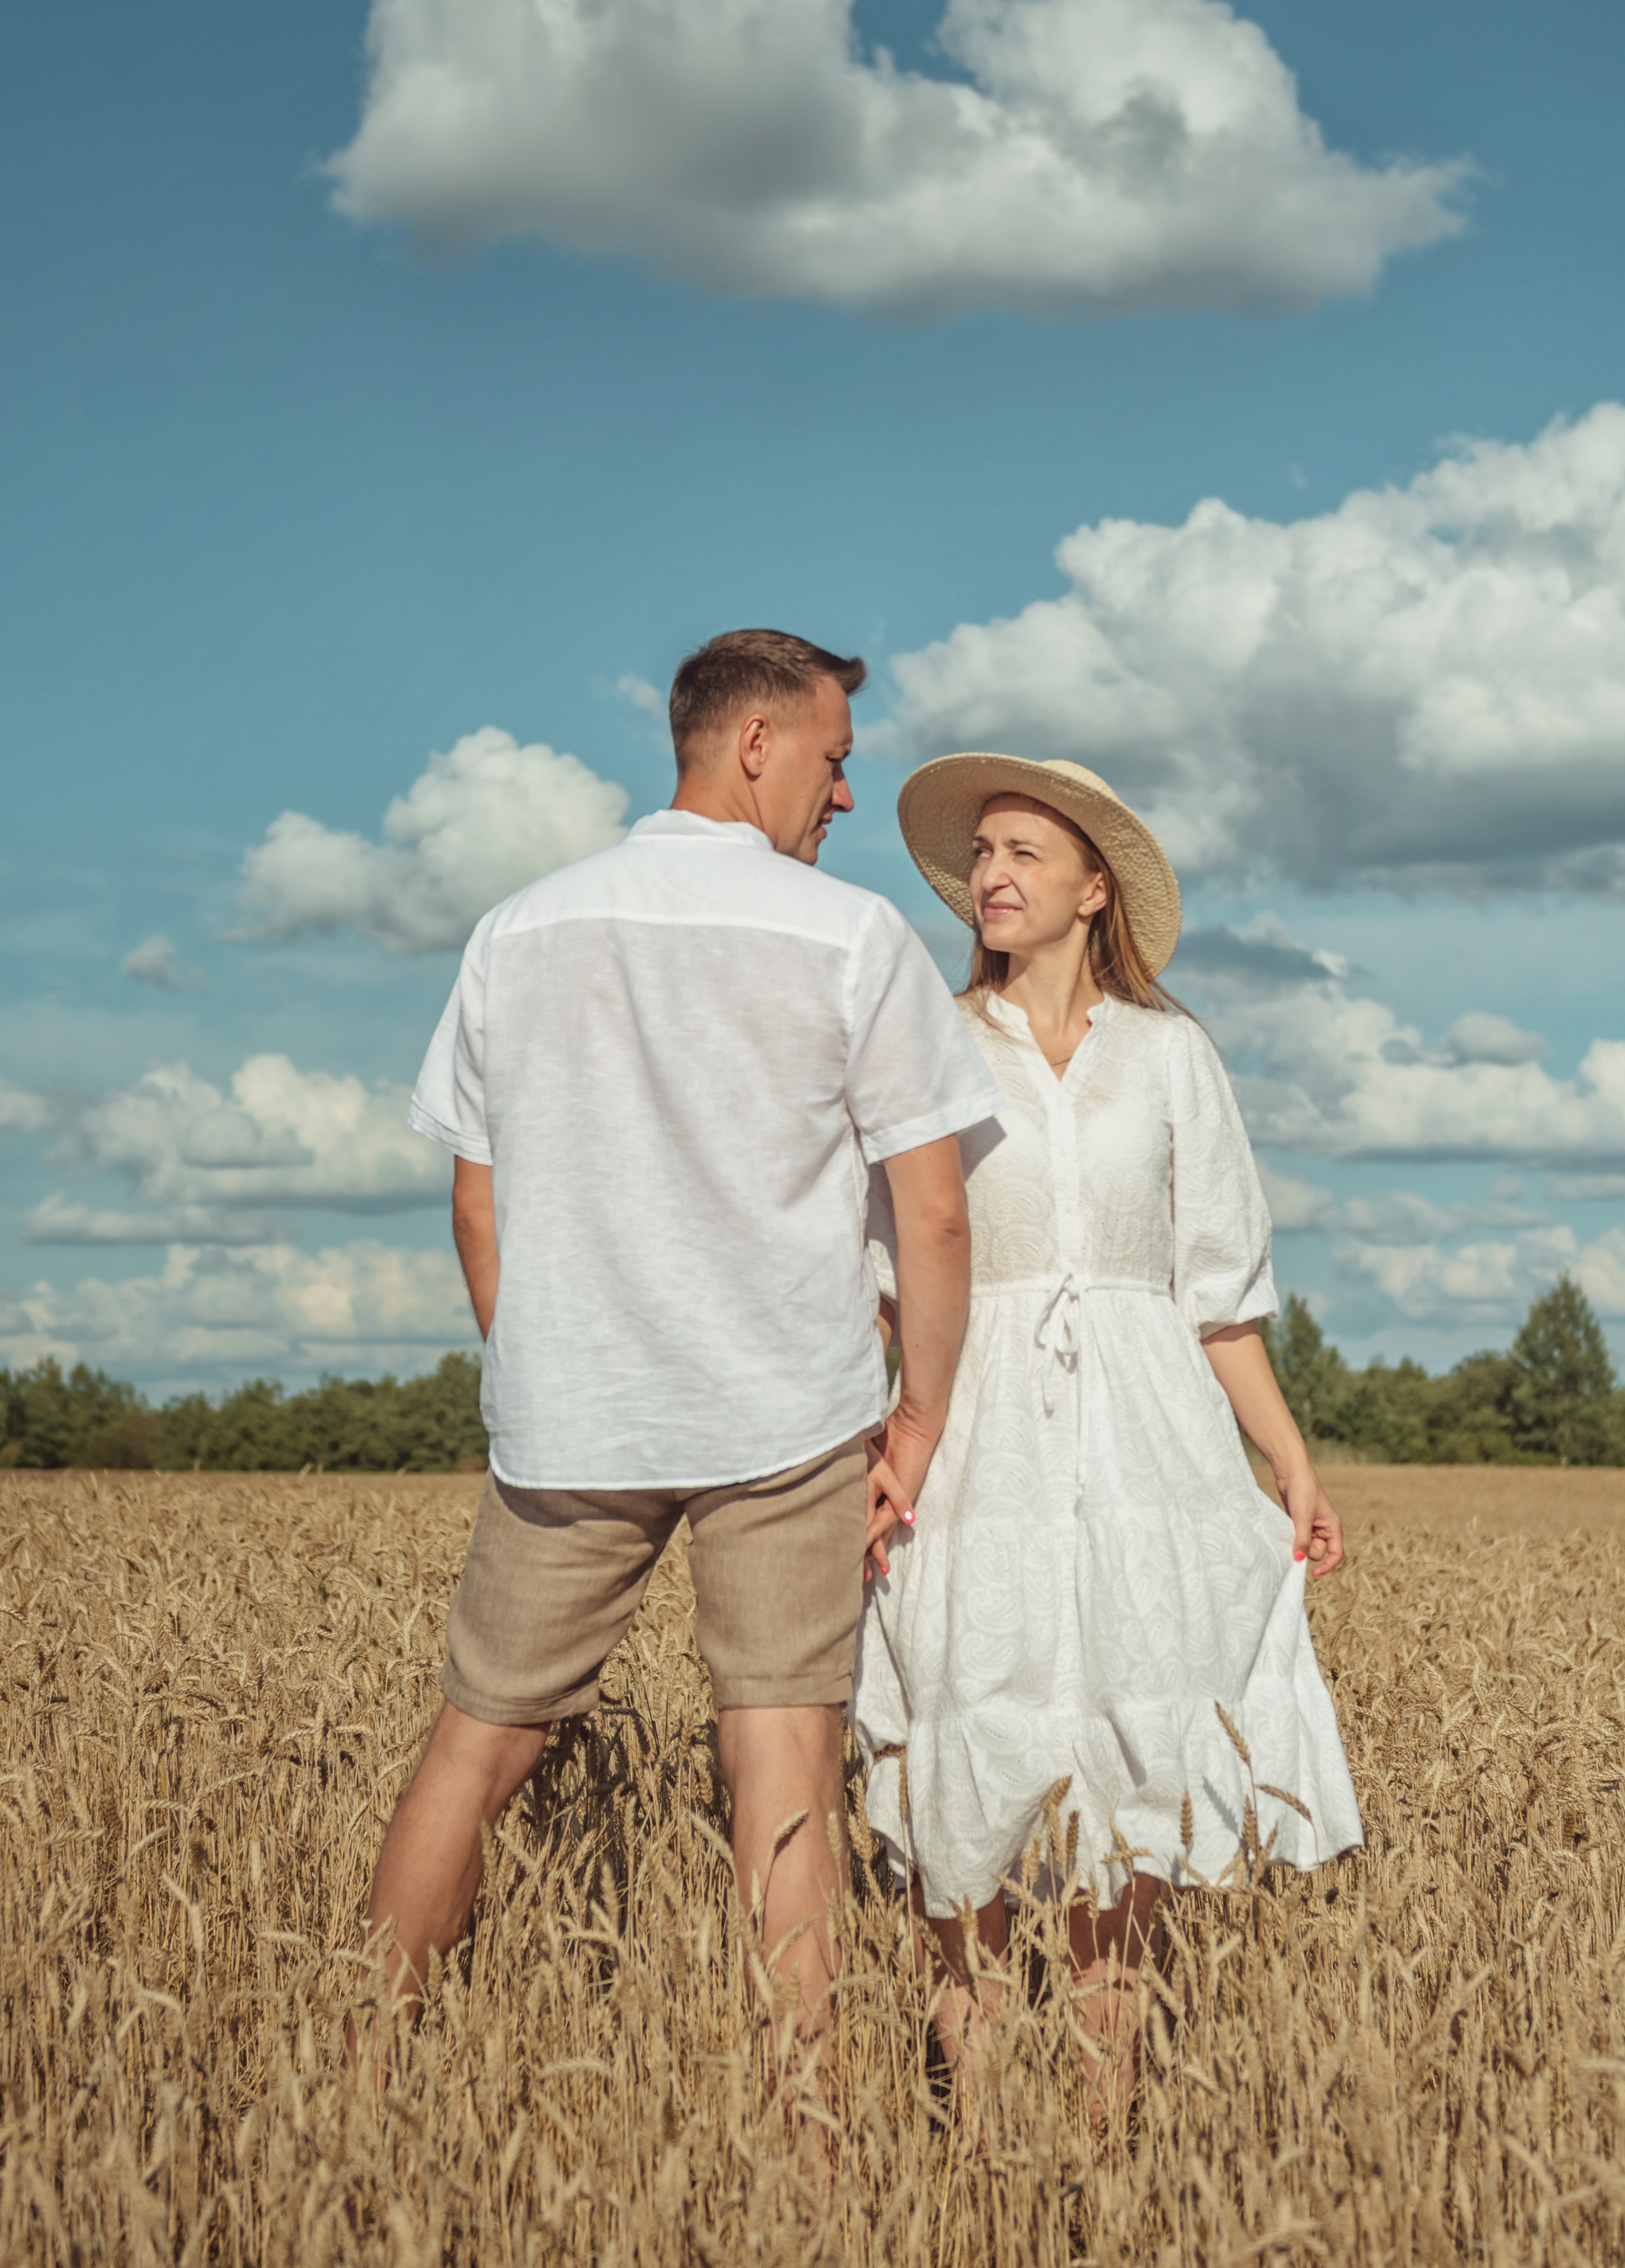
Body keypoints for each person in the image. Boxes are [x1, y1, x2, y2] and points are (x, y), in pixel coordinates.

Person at [354, 631, 999, 2069]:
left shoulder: (518, 929)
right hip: (788, 1412)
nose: (844, 796)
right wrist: (921, 1419)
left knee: (475, 1745)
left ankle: (351, 2070)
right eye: (834, 760)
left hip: (568, 1422)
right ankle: (808, 2124)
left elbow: (478, 1188)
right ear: (756, 743)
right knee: (779, 1758)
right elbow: (934, 1209)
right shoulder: (847, 939)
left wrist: (542, 1360)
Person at [850, 753, 1364, 2113]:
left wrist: (1288, 1461)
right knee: (968, 1743)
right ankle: (980, 2143)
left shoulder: (1170, 1055)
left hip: (1150, 1439)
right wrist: (879, 1440)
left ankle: (1093, 2155)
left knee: (1130, 1776)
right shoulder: (927, 1044)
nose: (992, 876)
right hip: (974, 1436)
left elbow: (1221, 1294)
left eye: (1023, 853)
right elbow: (879, 1273)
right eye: (981, 857)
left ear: (1093, 890)